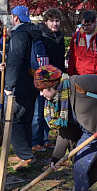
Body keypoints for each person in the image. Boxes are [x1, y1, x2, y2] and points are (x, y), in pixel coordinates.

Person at [4, 5, 42, 170]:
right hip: (32, 81)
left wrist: (9, 85)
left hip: (20, 84)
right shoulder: (33, 32)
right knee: (25, 119)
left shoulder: (19, 35)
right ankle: (24, 153)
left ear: (15, 18)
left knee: (12, 119)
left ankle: (26, 156)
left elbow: (16, 62)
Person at [32, 8, 65, 151]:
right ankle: (35, 141)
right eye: (52, 21)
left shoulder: (60, 37)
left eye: (57, 21)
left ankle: (45, 139)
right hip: (44, 78)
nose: (55, 24)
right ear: (46, 22)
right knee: (38, 112)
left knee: (49, 110)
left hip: (56, 78)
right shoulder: (41, 36)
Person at [66, 10, 97, 78]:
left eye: (88, 25)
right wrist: (70, 75)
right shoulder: (76, 36)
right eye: (83, 25)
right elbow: (72, 56)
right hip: (79, 74)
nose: (85, 28)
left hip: (95, 75)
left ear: (94, 23)